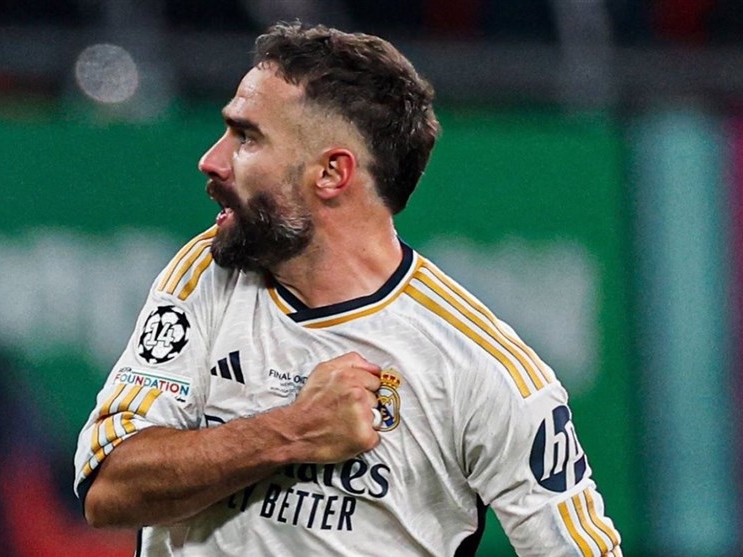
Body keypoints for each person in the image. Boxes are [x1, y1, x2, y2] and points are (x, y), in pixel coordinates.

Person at [74, 22, 622, 556]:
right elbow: (109, 490)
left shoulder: (485, 371)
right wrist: (293, 430)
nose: (211, 161)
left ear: (332, 173)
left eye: (247, 138)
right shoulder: (206, 276)